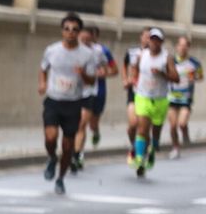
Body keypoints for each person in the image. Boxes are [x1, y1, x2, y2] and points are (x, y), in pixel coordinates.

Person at [38, 13, 100, 195]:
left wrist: (83, 74)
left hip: (73, 103)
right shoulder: (52, 50)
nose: (70, 33)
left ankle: (60, 178)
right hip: (53, 100)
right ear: (62, 31)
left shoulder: (87, 55)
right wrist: (42, 83)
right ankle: (51, 158)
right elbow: (43, 69)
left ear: (79, 32)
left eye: (74, 30)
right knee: (50, 138)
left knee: (67, 146)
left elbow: (91, 81)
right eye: (67, 29)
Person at [129, 27, 179, 176]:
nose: (154, 43)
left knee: (155, 130)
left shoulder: (166, 58)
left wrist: (163, 73)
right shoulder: (142, 55)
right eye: (152, 39)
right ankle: (139, 158)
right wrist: (135, 80)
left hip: (160, 99)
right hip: (143, 96)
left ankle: (154, 144)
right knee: (142, 129)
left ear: (162, 42)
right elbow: (135, 69)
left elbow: (176, 78)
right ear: (148, 40)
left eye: (158, 40)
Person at [72, 23, 117, 169]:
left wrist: (104, 73)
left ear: (93, 38)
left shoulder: (100, 51)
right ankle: (77, 154)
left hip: (94, 91)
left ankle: (81, 149)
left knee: (89, 124)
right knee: (79, 125)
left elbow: (113, 69)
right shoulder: (71, 49)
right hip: (73, 93)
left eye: (88, 38)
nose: (84, 41)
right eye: (82, 37)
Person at [166, 35, 200, 159]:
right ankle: (175, 147)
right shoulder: (170, 62)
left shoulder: (194, 63)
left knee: (181, 123)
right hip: (172, 98)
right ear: (176, 46)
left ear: (188, 47)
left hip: (186, 98)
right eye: (180, 45)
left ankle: (185, 132)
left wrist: (195, 77)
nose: (182, 48)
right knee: (173, 125)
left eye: (185, 46)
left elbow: (201, 77)